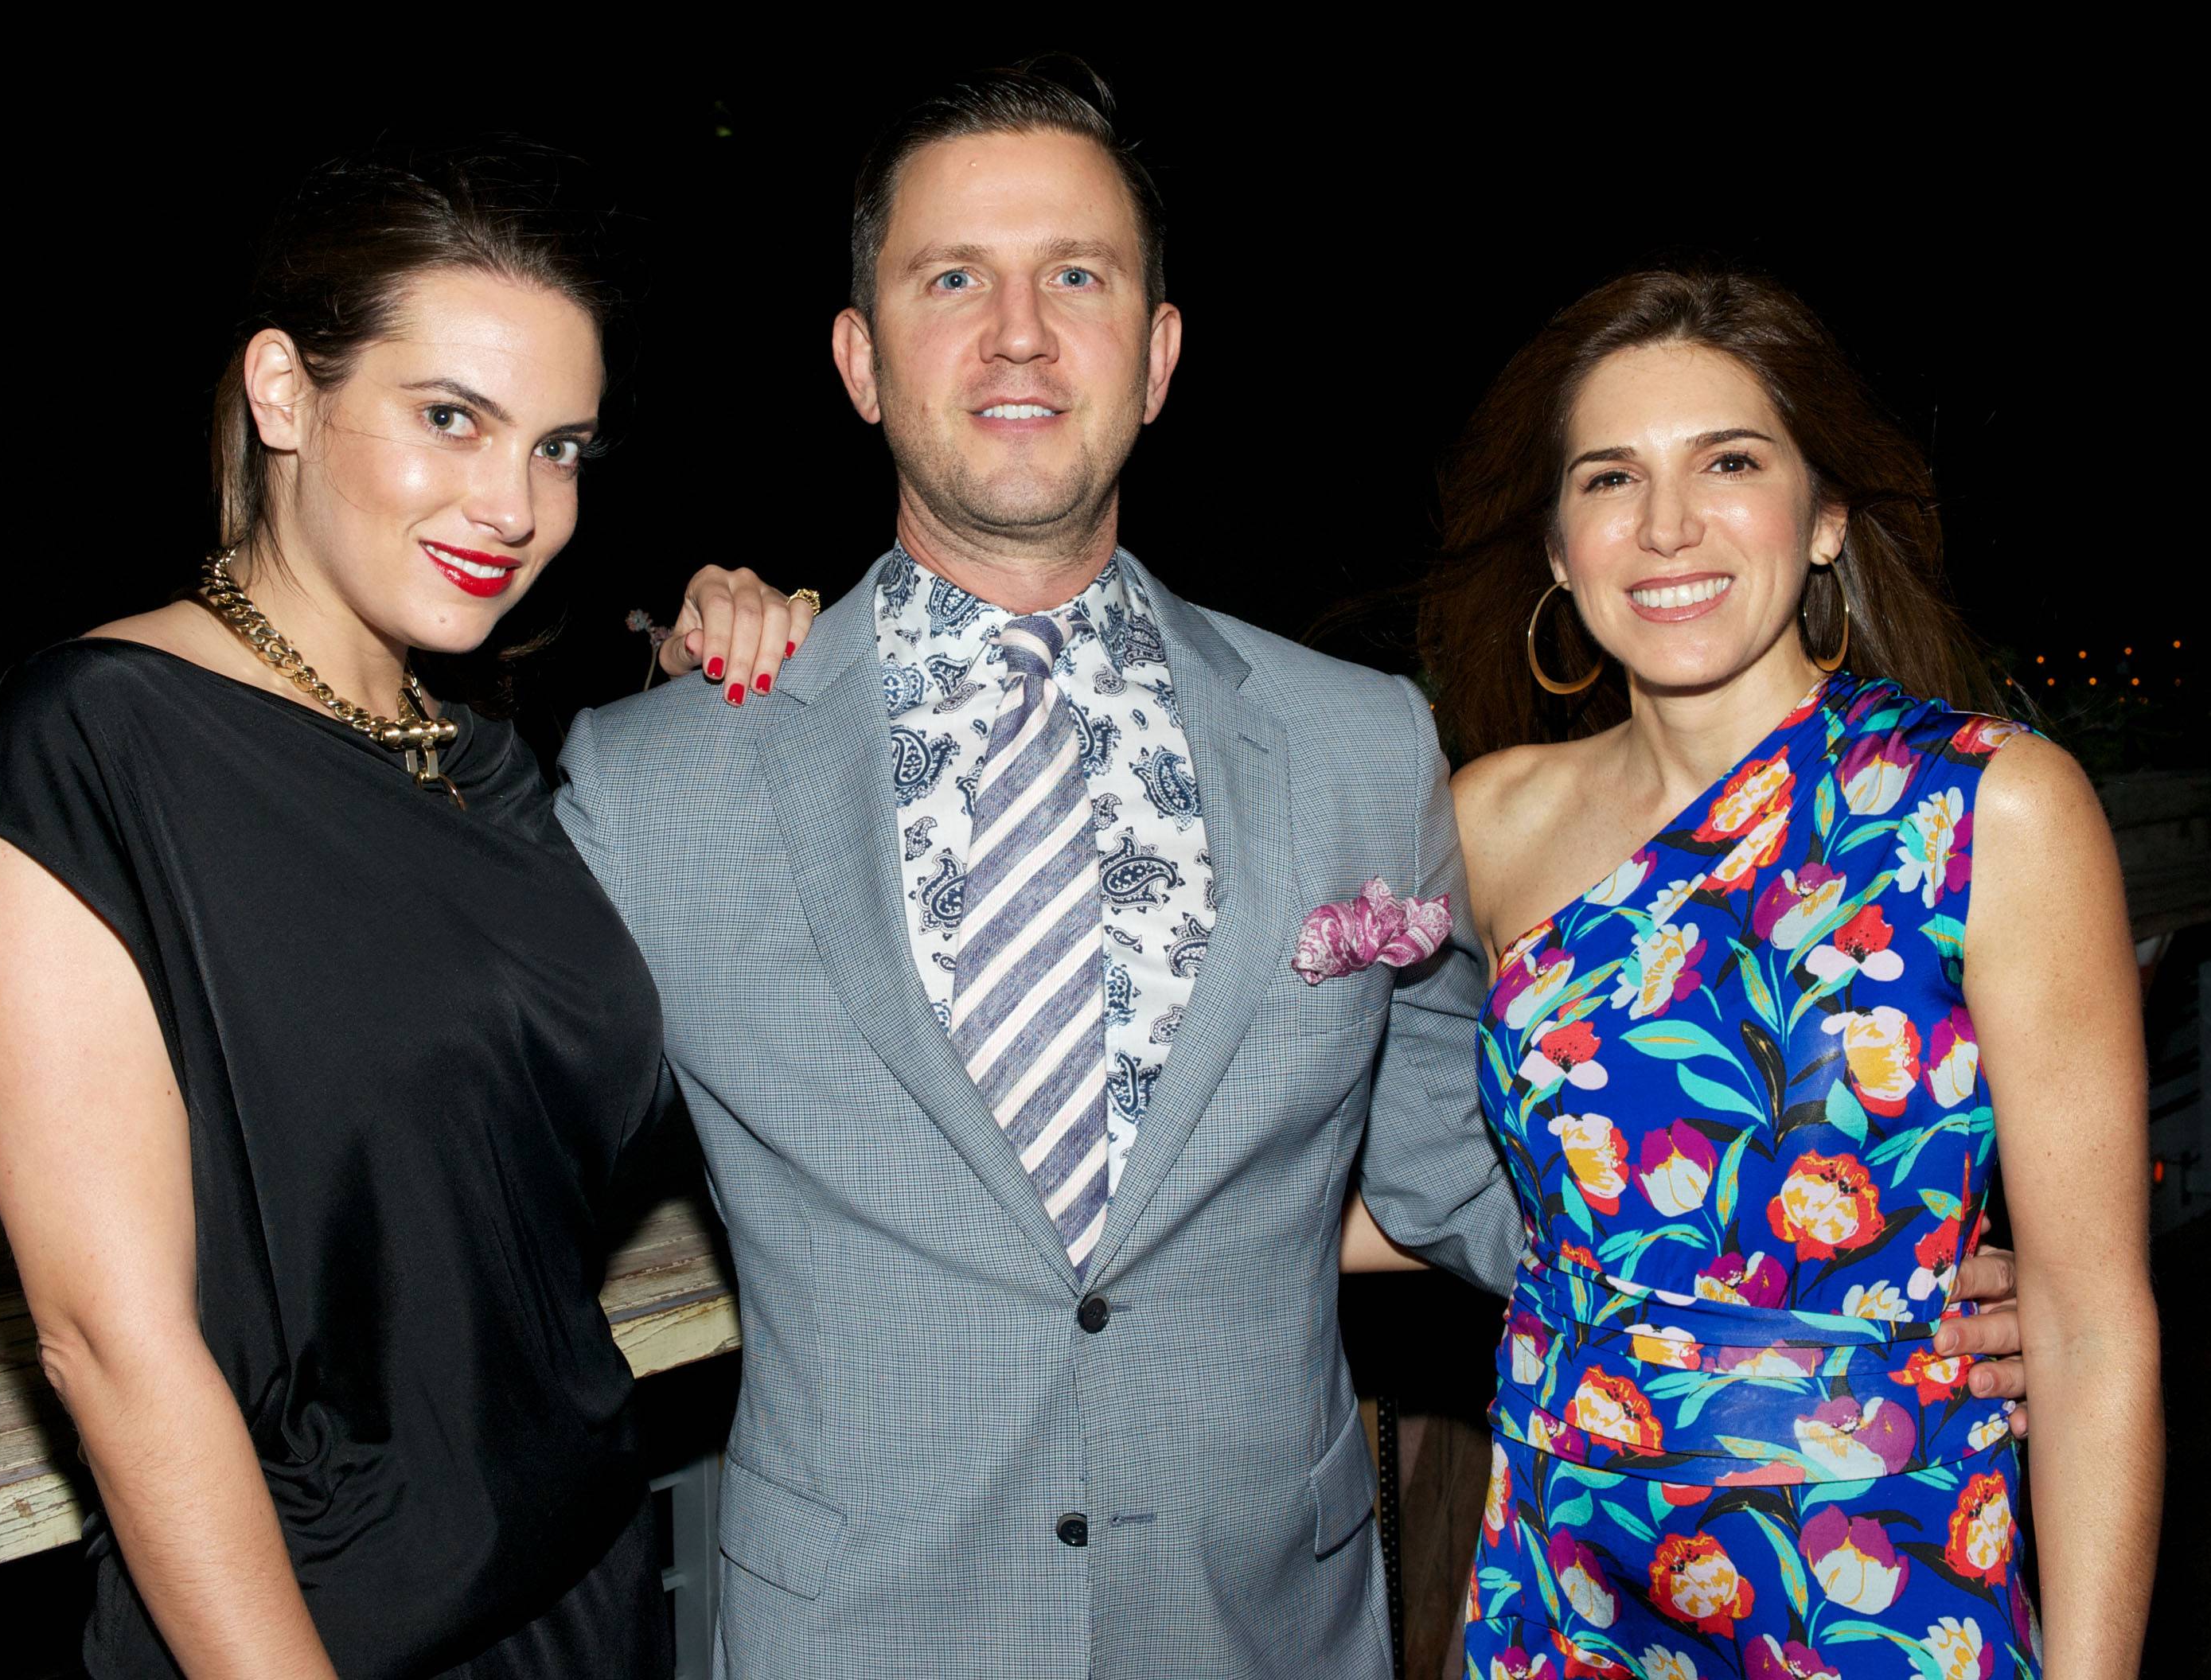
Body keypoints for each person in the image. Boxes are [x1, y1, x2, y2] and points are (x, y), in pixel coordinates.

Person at [552, 68, 2034, 1678]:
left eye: (1078, 276)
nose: (1020, 334)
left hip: (1265, 1623)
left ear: (1159, 355)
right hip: (862, 1636)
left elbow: (1470, 1163)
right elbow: (473, 1189)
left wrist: (1851, 1282)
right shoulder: (660, 787)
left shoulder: (1360, 747)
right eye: (954, 278)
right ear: (860, 358)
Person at [0, 147, 810, 1678]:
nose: (516, 506)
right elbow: (113, 1351)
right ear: (284, 392)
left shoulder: (487, 767)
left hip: (592, 1587)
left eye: (559, 448)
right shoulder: (99, 745)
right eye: (450, 419)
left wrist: (702, 711)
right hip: (316, 1627)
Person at [1421, 268, 2160, 1679]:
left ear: (1823, 518)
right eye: (1610, 478)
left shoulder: (1987, 810)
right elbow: (1413, 1169)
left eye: (1730, 463)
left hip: (1877, 1586)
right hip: (1561, 1585)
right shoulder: (1487, 823)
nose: (1668, 526)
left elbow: (2088, 1325)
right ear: (1559, 549)